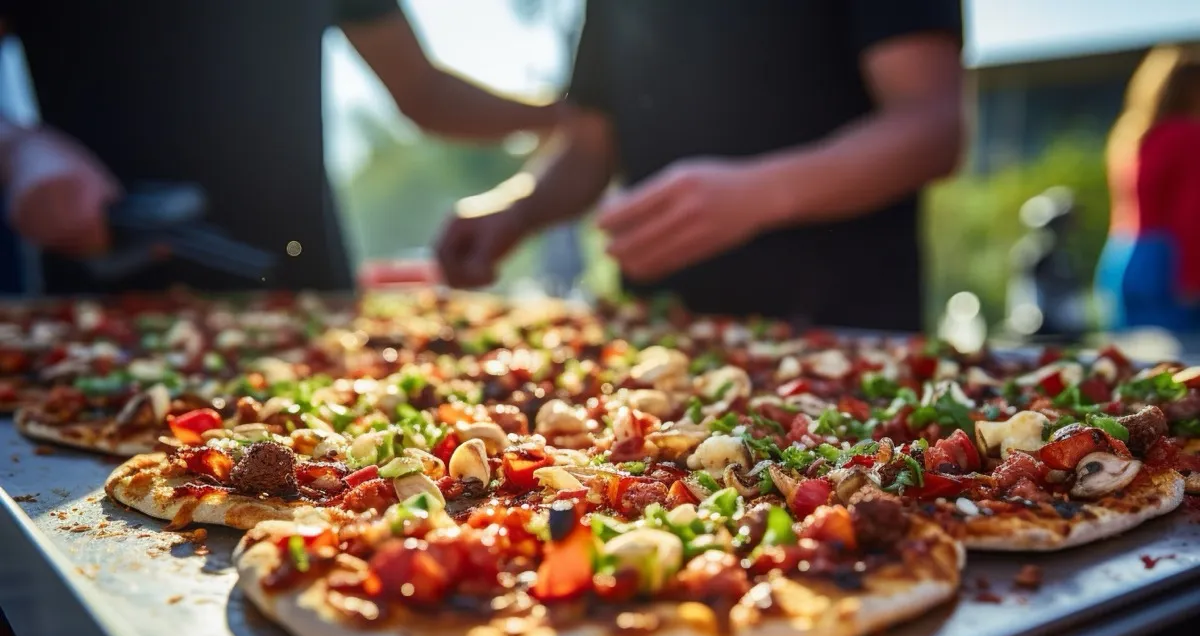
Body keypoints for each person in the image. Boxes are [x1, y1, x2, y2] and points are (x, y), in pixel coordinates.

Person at [436, 1, 963, 330]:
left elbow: (931, 125)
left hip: (847, 338)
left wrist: (759, 195)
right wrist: (516, 209)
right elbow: (591, 146)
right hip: (658, 347)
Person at [0, 1, 562, 294]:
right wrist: (18, 148)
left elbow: (424, 92)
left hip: (301, 286)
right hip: (101, 305)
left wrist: (577, 116)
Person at [1096, 46, 1200, 331]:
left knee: (1130, 351)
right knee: (1178, 353)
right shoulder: (1188, 135)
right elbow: (1191, 213)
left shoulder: (1129, 137)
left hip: (1120, 255)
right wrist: (1193, 278)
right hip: (1168, 261)